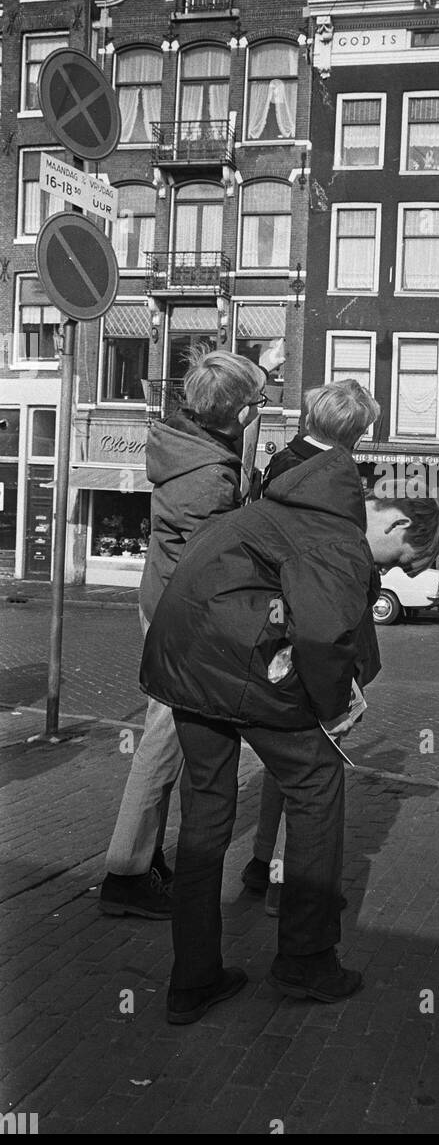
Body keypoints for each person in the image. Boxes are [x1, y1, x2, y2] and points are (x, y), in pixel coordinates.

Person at [139, 449, 439, 1023]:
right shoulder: (338, 537)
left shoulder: (294, 502)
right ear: (397, 521)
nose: (393, 572)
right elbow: (324, 638)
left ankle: (193, 979)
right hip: (231, 661)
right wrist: (333, 712)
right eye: (403, 560)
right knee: (316, 782)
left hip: (182, 660)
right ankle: (306, 958)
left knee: (205, 813)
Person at [99, 348, 271, 920]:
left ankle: (141, 858)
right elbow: (216, 562)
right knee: (165, 736)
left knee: (164, 731)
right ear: (237, 413)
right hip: (179, 617)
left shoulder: (188, 444)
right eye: (257, 404)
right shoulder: (208, 481)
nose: (261, 412)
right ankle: (125, 871)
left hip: (159, 602)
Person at [240, 379, 380, 914]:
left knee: (283, 758)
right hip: (300, 622)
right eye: (364, 430)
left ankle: (261, 864)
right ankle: (284, 880)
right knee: (304, 754)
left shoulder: (283, 460)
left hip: (279, 612)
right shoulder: (326, 474)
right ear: (354, 433)